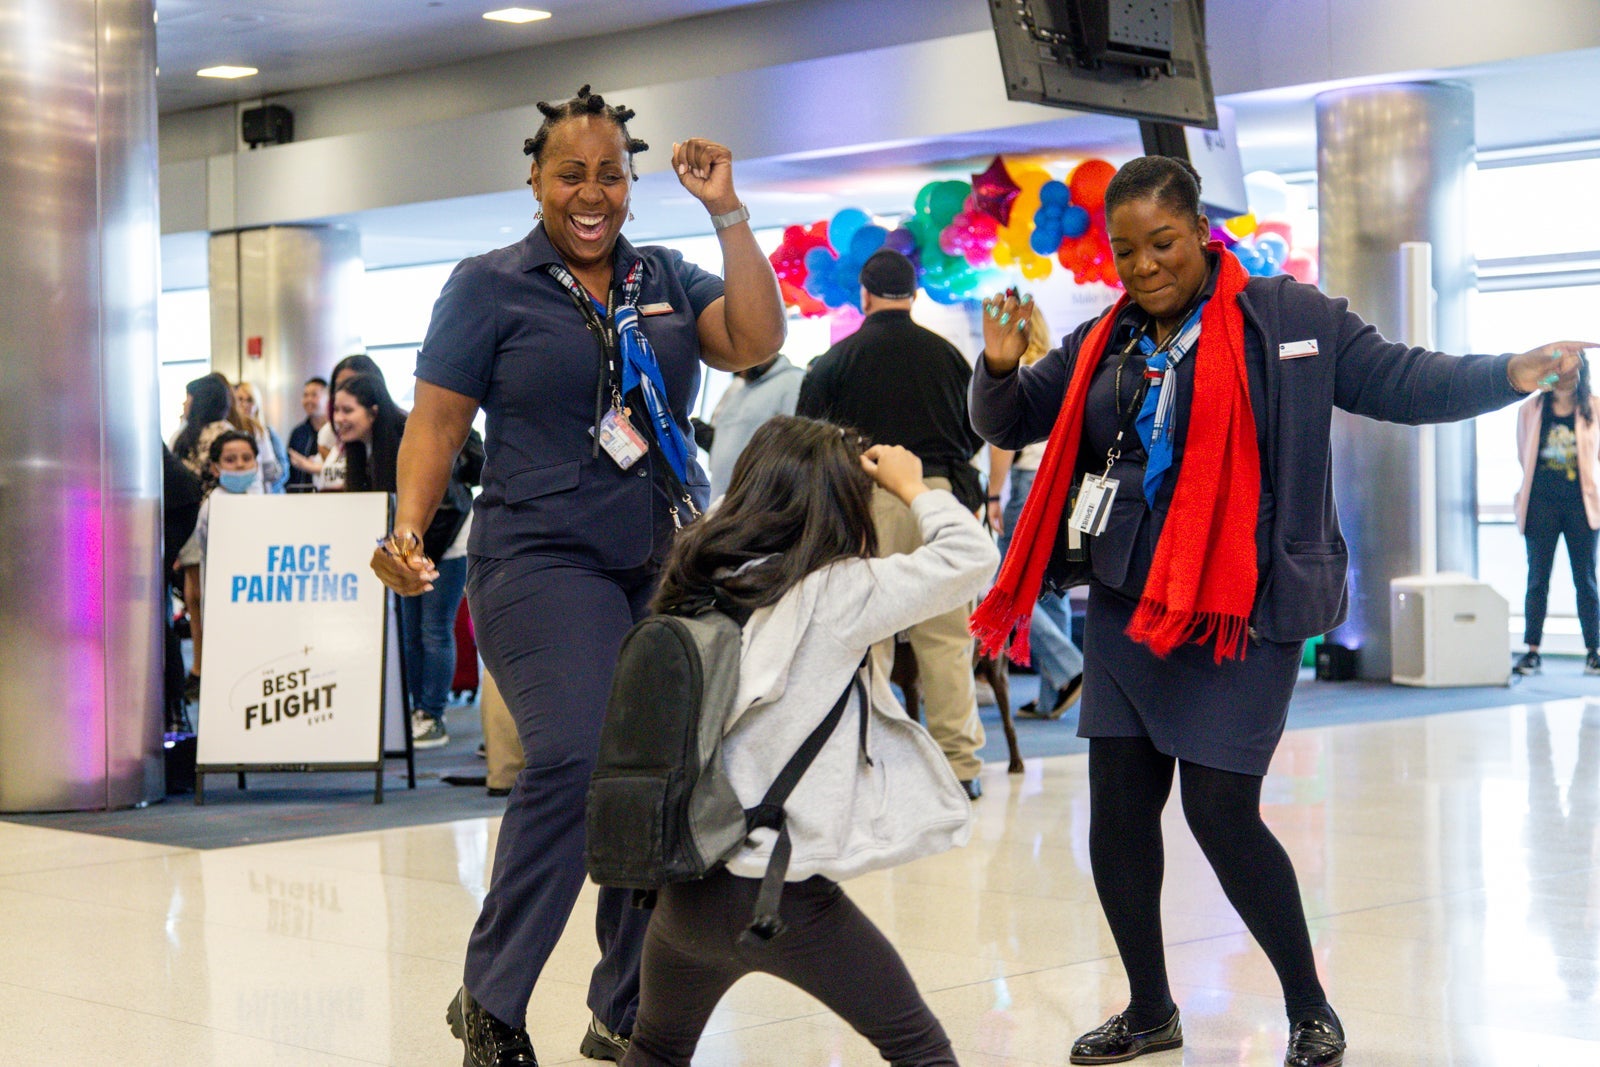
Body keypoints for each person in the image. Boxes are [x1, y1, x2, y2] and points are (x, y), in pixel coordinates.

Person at [968, 154, 1590, 1067]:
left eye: (1162, 243)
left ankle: (1309, 1006)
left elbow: (1404, 381)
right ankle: (1150, 1009)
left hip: (1239, 609)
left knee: (1221, 811)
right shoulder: (1104, 338)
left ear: (1201, 232)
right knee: (1118, 816)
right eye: (1126, 250)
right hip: (1127, 604)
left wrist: (1510, 372)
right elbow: (1009, 418)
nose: (1144, 266)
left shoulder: (1290, 319)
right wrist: (996, 362)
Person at [368, 85, 785, 1067]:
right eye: (570, 174)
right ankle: (491, 999)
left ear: (632, 184)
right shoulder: (487, 286)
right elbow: (436, 423)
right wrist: (407, 531)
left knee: (658, 771)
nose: (591, 193)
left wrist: (728, 211)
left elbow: (757, 341)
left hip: (657, 559)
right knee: (572, 752)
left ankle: (625, 1006)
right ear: (535, 180)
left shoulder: (665, 275)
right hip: (535, 556)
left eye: (610, 175)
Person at [623, 417, 994, 1066]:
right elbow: (972, 560)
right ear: (840, 503)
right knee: (921, 1050)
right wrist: (914, 487)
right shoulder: (838, 593)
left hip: (685, 888)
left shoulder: (700, 576)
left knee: (655, 1050)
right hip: (781, 897)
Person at [797, 248, 989, 798]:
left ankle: (873, 759)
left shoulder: (836, 360)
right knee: (947, 640)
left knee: (869, 639)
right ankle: (961, 768)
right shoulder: (948, 357)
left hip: (867, 502)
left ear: (864, 295)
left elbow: (809, 440)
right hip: (937, 497)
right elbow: (976, 429)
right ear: (915, 294)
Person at [338, 371, 485, 748]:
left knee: (434, 627)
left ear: (372, 410)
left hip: (448, 539)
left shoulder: (406, 435)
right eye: (336, 410)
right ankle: (417, 710)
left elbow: (444, 499)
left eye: (347, 410)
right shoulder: (360, 450)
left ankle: (431, 714)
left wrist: (418, 554)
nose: (339, 419)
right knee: (410, 630)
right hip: (411, 545)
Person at [986, 304, 1084, 720]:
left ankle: (1071, 666)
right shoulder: (1057, 371)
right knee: (1053, 587)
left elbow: (1002, 441)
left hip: (1029, 485)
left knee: (1006, 583)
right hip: (1065, 483)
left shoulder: (1013, 373)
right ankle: (1052, 695)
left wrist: (993, 495)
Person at [1513, 354, 1600, 676]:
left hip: (1581, 507)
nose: (1567, 373)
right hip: (1540, 506)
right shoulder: (1531, 409)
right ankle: (1532, 651)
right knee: (1537, 579)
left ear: (1582, 371)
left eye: (1573, 367)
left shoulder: (1594, 408)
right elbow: (1523, 454)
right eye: (1560, 367)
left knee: (1586, 580)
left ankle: (1594, 651)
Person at [170, 374, 237, 702]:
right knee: (195, 597)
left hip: (206, 522)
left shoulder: (216, 433)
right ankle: (200, 666)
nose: (185, 403)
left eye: (189, 396)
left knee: (200, 597)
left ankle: (202, 667)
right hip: (198, 523)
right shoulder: (189, 433)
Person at [692, 352, 803, 499]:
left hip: (757, 500)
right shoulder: (740, 387)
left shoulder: (793, 382)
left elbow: (793, 448)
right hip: (720, 496)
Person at [232, 379, 288, 491]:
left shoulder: (266, 433)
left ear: (257, 404)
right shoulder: (230, 431)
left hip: (265, 491)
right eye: (240, 399)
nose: (244, 404)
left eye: (250, 400)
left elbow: (281, 472)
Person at [285, 376, 328, 492]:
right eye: (305, 395)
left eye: (314, 395)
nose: (309, 400)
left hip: (329, 495)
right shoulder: (298, 433)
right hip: (301, 496)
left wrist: (307, 465)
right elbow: (290, 472)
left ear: (328, 399)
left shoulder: (335, 432)